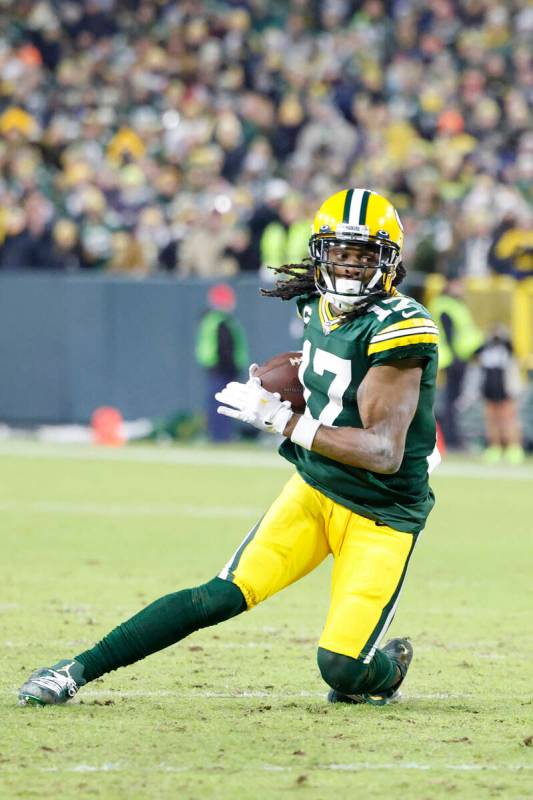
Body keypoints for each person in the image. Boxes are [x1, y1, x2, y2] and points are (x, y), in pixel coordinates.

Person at [19, 188, 440, 708]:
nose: (350, 269)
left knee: (343, 669)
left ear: (390, 261)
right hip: (316, 487)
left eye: (364, 255)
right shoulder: (314, 304)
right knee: (219, 594)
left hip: (381, 510)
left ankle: (389, 665)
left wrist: (284, 420)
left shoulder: (402, 324)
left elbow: (383, 452)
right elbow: (324, 367)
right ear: (319, 252)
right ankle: (75, 669)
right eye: (339, 253)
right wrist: (276, 384)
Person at [429, 275, 483, 449]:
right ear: (451, 284)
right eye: (459, 284)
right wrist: (456, 357)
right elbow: (449, 333)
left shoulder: (454, 303)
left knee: (452, 400)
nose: (462, 288)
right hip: (450, 360)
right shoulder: (445, 304)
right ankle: (449, 437)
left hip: (457, 358)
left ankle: (451, 435)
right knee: (448, 401)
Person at [195, 283, 249, 442]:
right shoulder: (221, 322)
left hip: (214, 366)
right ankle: (221, 435)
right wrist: (231, 366)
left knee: (216, 401)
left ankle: (218, 434)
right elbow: (225, 348)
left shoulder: (212, 320)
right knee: (221, 403)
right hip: (221, 367)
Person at [477, 325, 525, 464]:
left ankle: (514, 448)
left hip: (505, 390)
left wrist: (503, 337)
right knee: (491, 420)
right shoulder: (486, 349)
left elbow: (512, 351)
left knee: (508, 420)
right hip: (490, 390)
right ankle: (494, 447)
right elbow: (475, 353)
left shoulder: (506, 348)